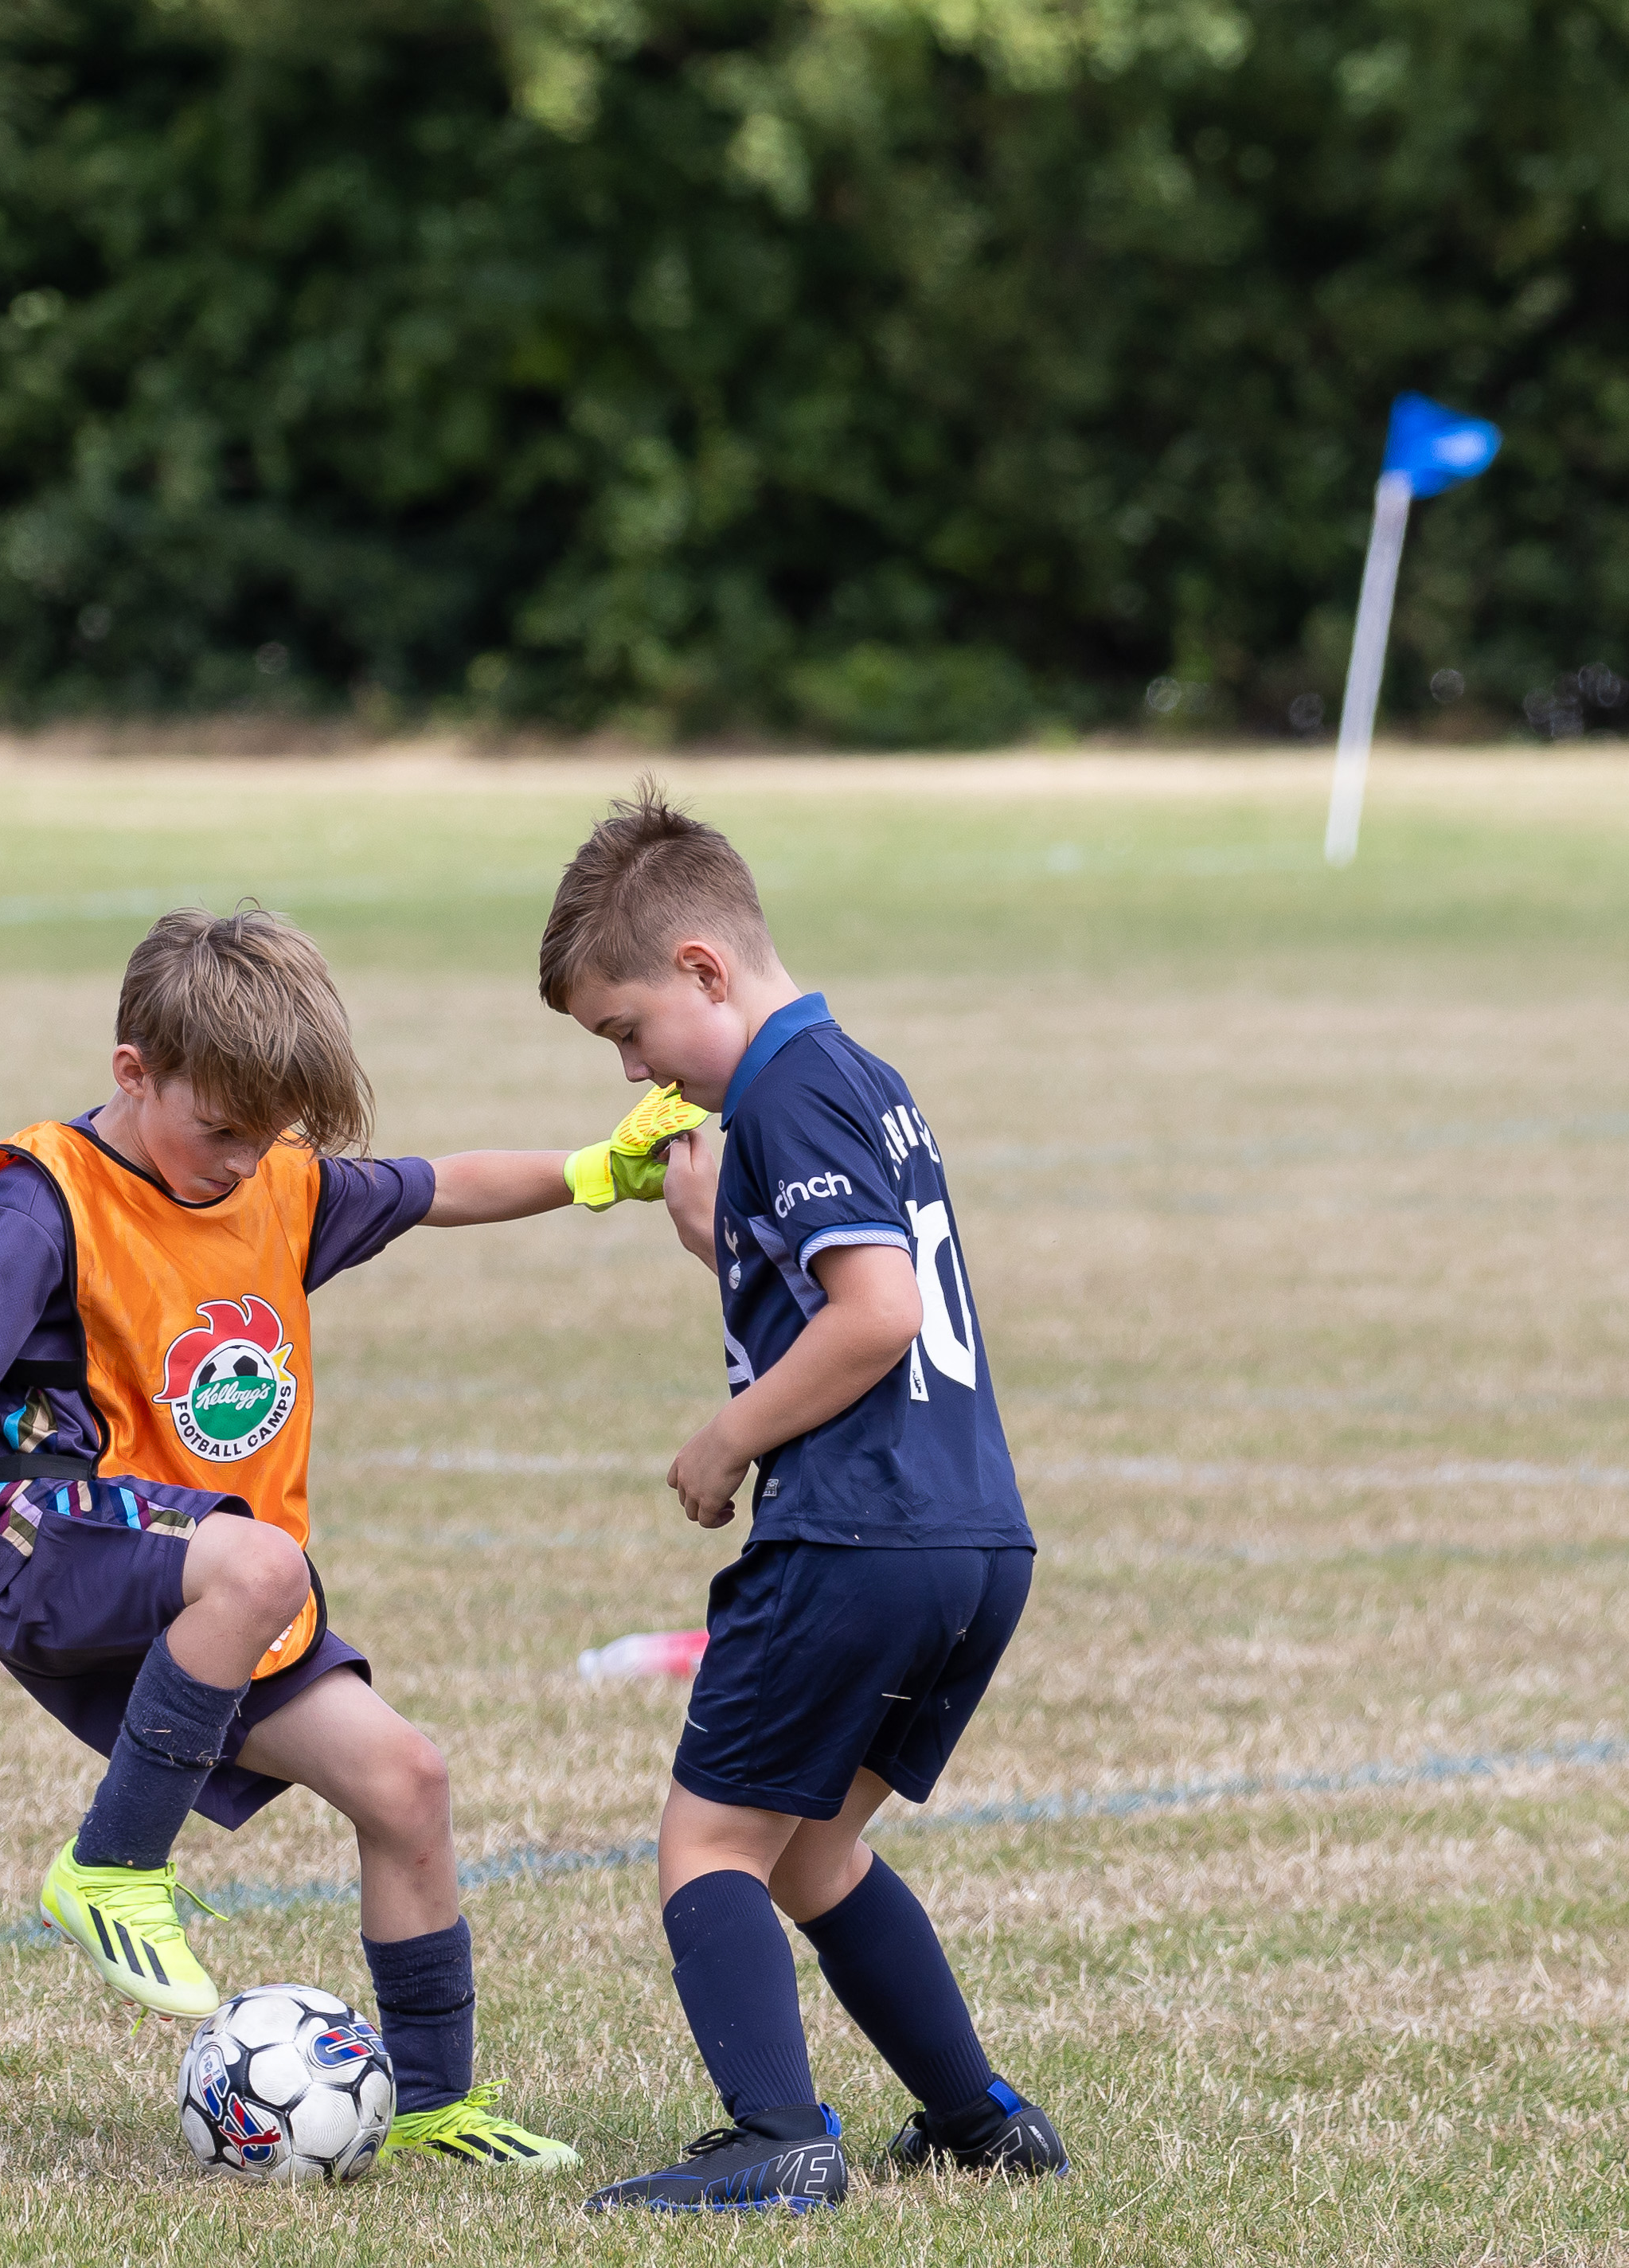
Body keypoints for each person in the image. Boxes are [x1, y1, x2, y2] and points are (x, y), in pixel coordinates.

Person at [0, 905, 677, 2174]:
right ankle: (112, 1868)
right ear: (134, 1071)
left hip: (203, 1594)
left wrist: (595, 1173)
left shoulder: (273, 1183)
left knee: (408, 1784)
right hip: (44, 1548)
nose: (242, 1161)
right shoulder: (37, 1199)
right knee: (260, 1562)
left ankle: (437, 2101)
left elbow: (440, 1186)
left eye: (269, 1135)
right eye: (219, 1128)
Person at [540, 784, 1068, 2212]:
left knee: (708, 1841)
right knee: (817, 1845)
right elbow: (846, 1280)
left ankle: (777, 2139)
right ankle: (978, 2118)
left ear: (704, 968)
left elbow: (878, 1312)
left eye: (629, 1031)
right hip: (972, 1539)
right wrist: (722, 1237)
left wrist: (724, 1442)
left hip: (854, 1533)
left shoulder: (781, 1088)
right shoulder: (860, 1074)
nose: (633, 1065)